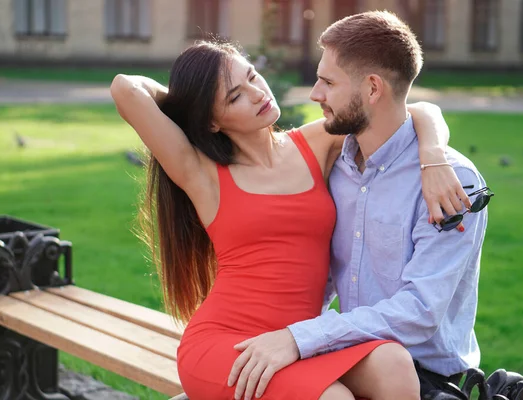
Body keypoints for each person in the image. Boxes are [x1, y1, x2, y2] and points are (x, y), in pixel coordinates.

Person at [110, 38, 468, 400]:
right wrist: (189, 101)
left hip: (300, 339)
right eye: (234, 97)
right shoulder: (202, 174)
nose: (257, 93)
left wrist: (433, 155)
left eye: (251, 76)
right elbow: (125, 89)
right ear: (212, 121)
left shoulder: (314, 142)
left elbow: (413, 109)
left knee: (394, 363)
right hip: (228, 343)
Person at [227, 11, 490, 400]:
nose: (315, 94)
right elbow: (321, 274)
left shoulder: (454, 182)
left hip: (424, 379)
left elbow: (420, 311)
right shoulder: (335, 166)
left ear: (371, 89)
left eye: (328, 82)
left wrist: (299, 339)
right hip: (345, 354)